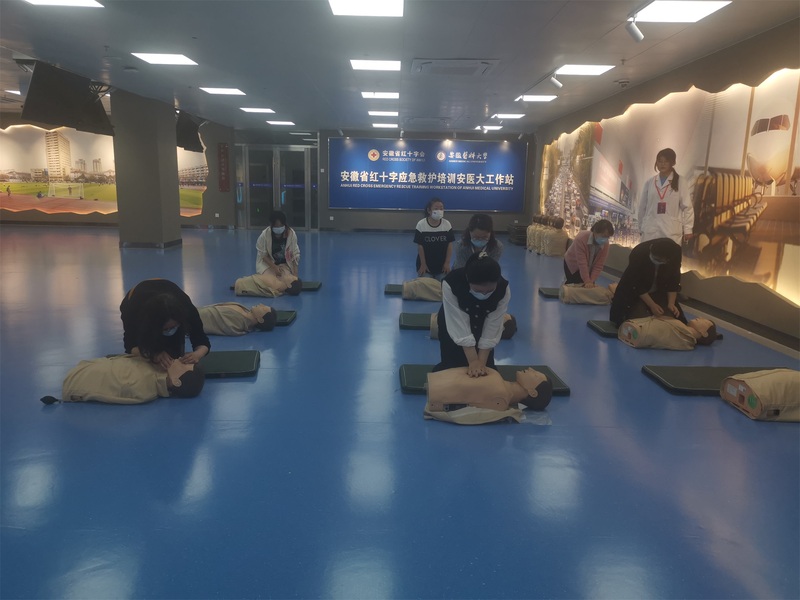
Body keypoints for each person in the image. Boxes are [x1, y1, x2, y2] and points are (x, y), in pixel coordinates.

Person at [434, 253, 510, 376]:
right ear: (468, 279)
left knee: (486, 368)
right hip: (453, 321)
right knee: (452, 366)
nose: (484, 294)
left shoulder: (503, 289)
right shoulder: (451, 282)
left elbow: (493, 324)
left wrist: (481, 363)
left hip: (482, 321)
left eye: (490, 290)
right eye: (478, 290)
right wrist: (473, 361)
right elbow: (458, 323)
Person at [120, 279, 211, 370]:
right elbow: (130, 346)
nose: (170, 331)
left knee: (174, 357)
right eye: (165, 329)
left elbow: (201, 340)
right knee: (149, 361)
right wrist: (153, 355)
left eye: (173, 327)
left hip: (171, 291)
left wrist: (197, 354)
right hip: (136, 298)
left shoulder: (187, 310)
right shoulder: (134, 312)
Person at [40, 355, 205, 405]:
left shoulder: (142, 387)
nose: (180, 360)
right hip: (83, 368)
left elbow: (109, 384)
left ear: (176, 382)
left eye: (183, 366)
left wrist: (72, 392)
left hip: (73, 382)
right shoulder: (156, 367)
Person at [424, 367, 553, 425]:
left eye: (535, 375)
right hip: (437, 383)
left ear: (532, 392)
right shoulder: (499, 384)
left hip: (436, 391)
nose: (530, 369)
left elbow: (470, 408)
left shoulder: (500, 397)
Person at [609, 237, 685, 327]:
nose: (657, 261)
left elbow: (674, 280)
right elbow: (636, 283)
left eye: (661, 260)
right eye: (655, 258)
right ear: (651, 248)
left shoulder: (675, 253)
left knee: (671, 319)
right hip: (636, 292)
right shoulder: (639, 252)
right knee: (639, 322)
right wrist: (652, 305)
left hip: (659, 291)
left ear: (667, 260)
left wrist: (671, 303)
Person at [637, 148, 695, 244]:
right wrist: (640, 227)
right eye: (660, 161)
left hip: (670, 231)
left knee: (668, 253)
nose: (662, 164)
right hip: (650, 231)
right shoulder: (649, 183)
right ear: (656, 163)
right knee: (648, 252)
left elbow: (687, 207)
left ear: (672, 163)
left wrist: (688, 229)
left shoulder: (680, 181)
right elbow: (642, 207)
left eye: (666, 161)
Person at [618, 316, 721, 350]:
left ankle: (638, 332)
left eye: (705, 321)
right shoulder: (682, 327)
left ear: (704, 333)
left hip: (640, 333)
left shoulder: (686, 339)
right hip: (637, 329)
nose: (701, 318)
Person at [563, 219, 614, 287]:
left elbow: (599, 265)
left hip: (589, 266)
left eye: (607, 237)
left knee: (587, 286)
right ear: (595, 232)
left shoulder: (605, 244)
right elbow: (582, 263)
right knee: (573, 284)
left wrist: (591, 281)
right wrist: (587, 281)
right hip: (573, 263)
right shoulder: (581, 238)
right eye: (603, 235)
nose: (605, 239)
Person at [414, 198, 454, 280]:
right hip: (426, 266)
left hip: (442, 266)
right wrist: (423, 264)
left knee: (443, 285)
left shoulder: (447, 224)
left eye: (441, 208)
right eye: (436, 208)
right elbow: (420, 246)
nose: (439, 211)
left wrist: (447, 263)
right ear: (429, 210)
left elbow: (449, 245)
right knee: (426, 285)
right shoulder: (421, 224)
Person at [256, 210, 300, 277]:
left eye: (281, 225)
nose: (279, 228)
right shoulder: (265, 235)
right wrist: (274, 267)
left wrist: (295, 276)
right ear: (271, 225)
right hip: (268, 265)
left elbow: (295, 255)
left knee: (286, 278)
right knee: (269, 279)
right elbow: (263, 255)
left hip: (284, 265)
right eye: (276, 226)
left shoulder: (291, 234)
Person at [198, 302, 277, 335]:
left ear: (260, 319)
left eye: (263, 308)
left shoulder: (238, 324)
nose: (261, 304)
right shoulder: (244, 309)